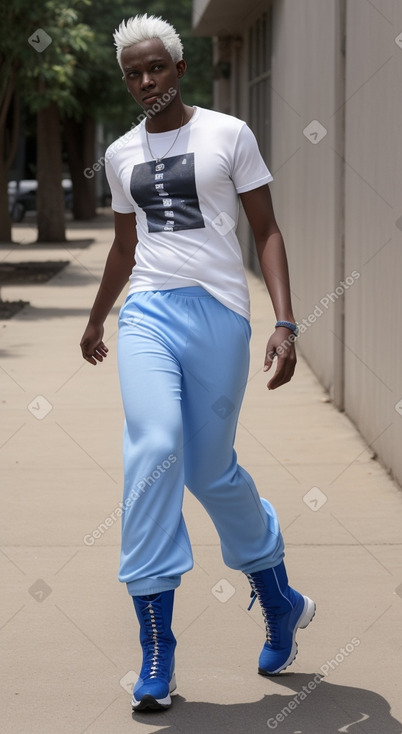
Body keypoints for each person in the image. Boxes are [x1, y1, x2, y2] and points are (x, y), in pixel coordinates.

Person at [80, 13, 316, 713]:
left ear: (179, 67)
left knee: (210, 471)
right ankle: (157, 647)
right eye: (132, 72)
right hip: (149, 312)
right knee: (154, 449)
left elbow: (265, 230)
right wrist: (97, 315)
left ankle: (277, 596)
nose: (144, 81)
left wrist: (284, 322)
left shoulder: (227, 134)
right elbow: (126, 248)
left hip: (218, 314)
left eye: (155, 68)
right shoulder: (122, 154)